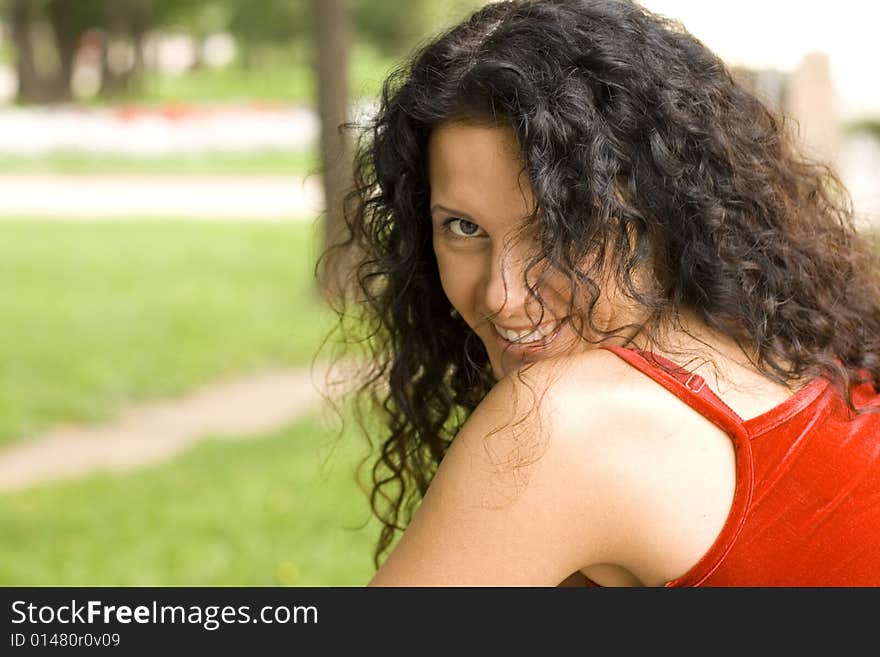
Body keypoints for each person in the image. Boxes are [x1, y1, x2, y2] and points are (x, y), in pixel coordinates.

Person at [315, 0, 880, 586]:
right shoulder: (798, 352)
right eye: (463, 227)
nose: (504, 295)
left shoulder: (563, 424)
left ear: (665, 209)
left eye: (559, 227)